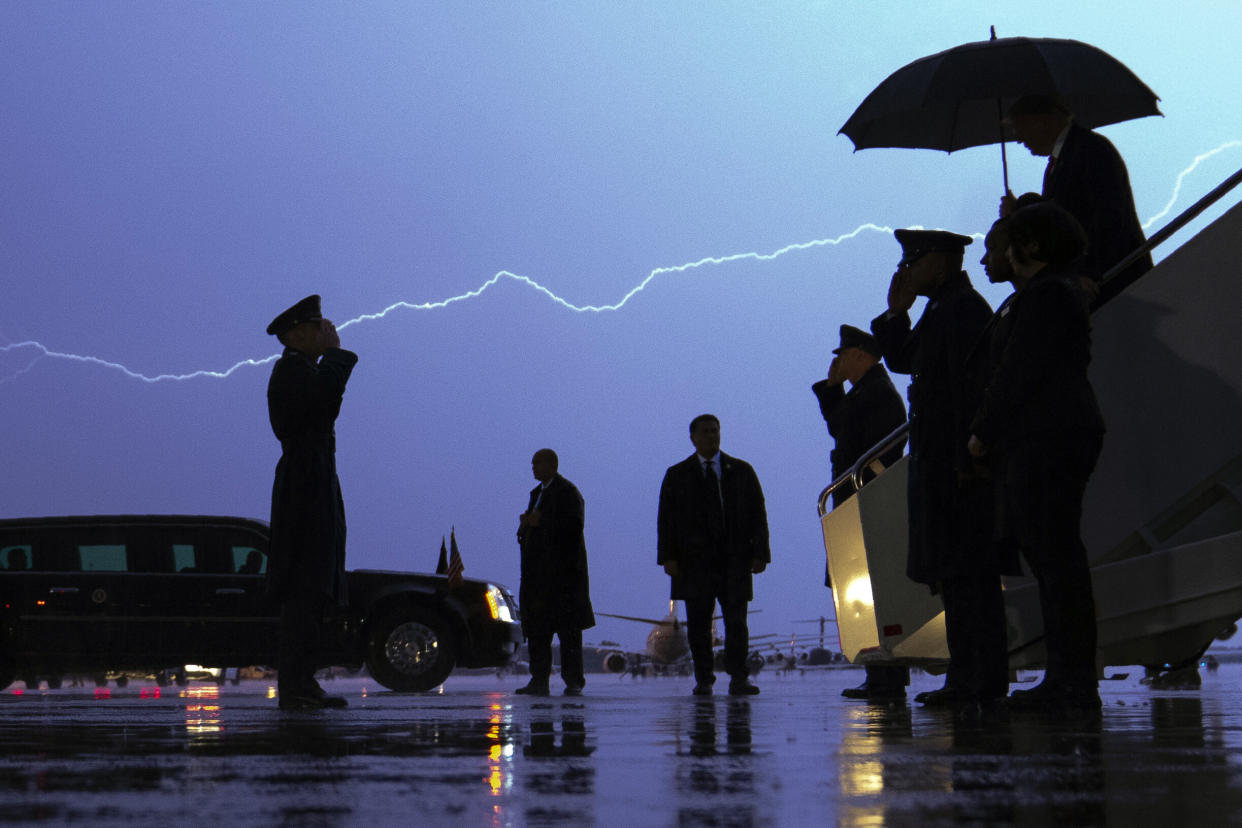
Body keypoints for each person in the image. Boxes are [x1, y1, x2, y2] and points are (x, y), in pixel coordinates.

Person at [969, 201, 1106, 714]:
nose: (1000, 251)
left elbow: (1020, 369)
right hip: (1057, 433)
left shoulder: (1046, 296)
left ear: (1030, 247)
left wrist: (983, 430)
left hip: (1049, 435)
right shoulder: (1055, 292)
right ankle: (1069, 675)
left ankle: (1070, 679)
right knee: (1056, 556)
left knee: (1056, 558)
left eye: (1010, 241)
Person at [870, 230, 1010, 715]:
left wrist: (968, 457)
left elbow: (970, 392)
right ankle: (966, 673)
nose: (907, 269)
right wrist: (896, 313)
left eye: (916, 260)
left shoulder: (965, 309)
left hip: (958, 464)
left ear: (944, 262)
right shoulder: (942, 308)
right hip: (941, 462)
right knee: (954, 575)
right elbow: (908, 359)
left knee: (971, 574)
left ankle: (979, 676)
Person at [265, 294, 358, 710]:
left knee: (315, 585)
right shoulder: (291, 371)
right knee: (304, 586)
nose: (328, 333)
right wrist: (337, 357)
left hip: (312, 480)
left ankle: (303, 680)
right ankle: (297, 683)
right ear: (298, 334)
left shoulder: (300, 369)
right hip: (305, 484)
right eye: (319, 328)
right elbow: (322, 406)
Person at [811, 324, 909, 700]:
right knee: (865, 592)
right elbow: (843, 430)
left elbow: (849, 436)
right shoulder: (867, 392)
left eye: (842, 356)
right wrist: (834, 389)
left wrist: (833, 390)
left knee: (876, 592)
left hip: (869, 501)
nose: (837, 363)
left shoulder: (876, 394)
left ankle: (887, 676)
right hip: (860, 500)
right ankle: (880, 673)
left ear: (860, 355)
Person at [657, 414, 769, 696]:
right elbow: (665, 520)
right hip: (694, 563)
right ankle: (704, 678)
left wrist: (760, 553)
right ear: (693, 437)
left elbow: (758, 513)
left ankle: (738, 677)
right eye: (705, 432)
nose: (712, 436)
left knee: (736, 624)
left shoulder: (741, 471)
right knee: (698, 626)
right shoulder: (677, 475)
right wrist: (667, 557)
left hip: (734, 559)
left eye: (715, 431)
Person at [1001, 94, 1152, 292]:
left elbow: (1108, 214)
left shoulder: (1090, 148)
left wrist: (1087, 271)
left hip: (1115, 280)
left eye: (1020, 125)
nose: (1018, 137)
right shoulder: (1062, 160)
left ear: (1044, 119)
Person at [515, 449, 596, 696]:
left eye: (537, 463)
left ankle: (573, 680)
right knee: (539, 631)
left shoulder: (568, 492)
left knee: (568, 632)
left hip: (564, 577)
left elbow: (574, 526)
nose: (533, 468)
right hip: (538, 578)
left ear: (551, 464)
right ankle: (539, 680)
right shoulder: (537, 494)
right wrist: (526, 526)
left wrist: (542, 522)